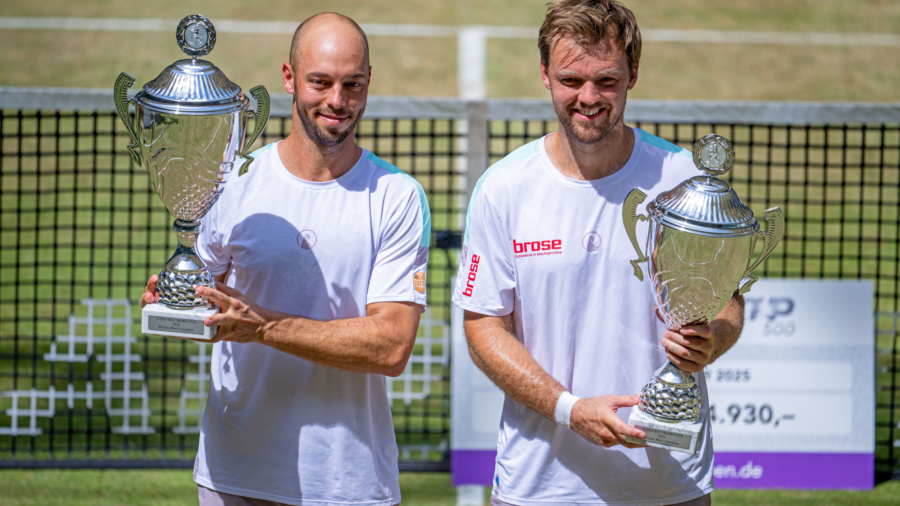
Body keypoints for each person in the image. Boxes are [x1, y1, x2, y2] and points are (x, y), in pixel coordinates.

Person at [452, 1, 744, 505]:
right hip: (538, 488)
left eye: (606, 80)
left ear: (633, 74)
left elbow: (728, 304)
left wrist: (711, 339)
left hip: (668, 486)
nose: (588, 97)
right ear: (545, 74)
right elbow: (482, 327)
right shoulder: (503, 188)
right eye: (571, 79)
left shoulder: (680, 179)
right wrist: (569, 408)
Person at [141, 12, 431, 506]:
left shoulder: (397, 197)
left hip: (349, 484)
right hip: (234, 474)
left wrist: (263, 327)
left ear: (367, 84)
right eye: (320, 82)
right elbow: (207, 304)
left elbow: (391, 347)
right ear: (289, 78)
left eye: (352, 84)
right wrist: (176, 296)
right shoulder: (229, 180)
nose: (337, 101)